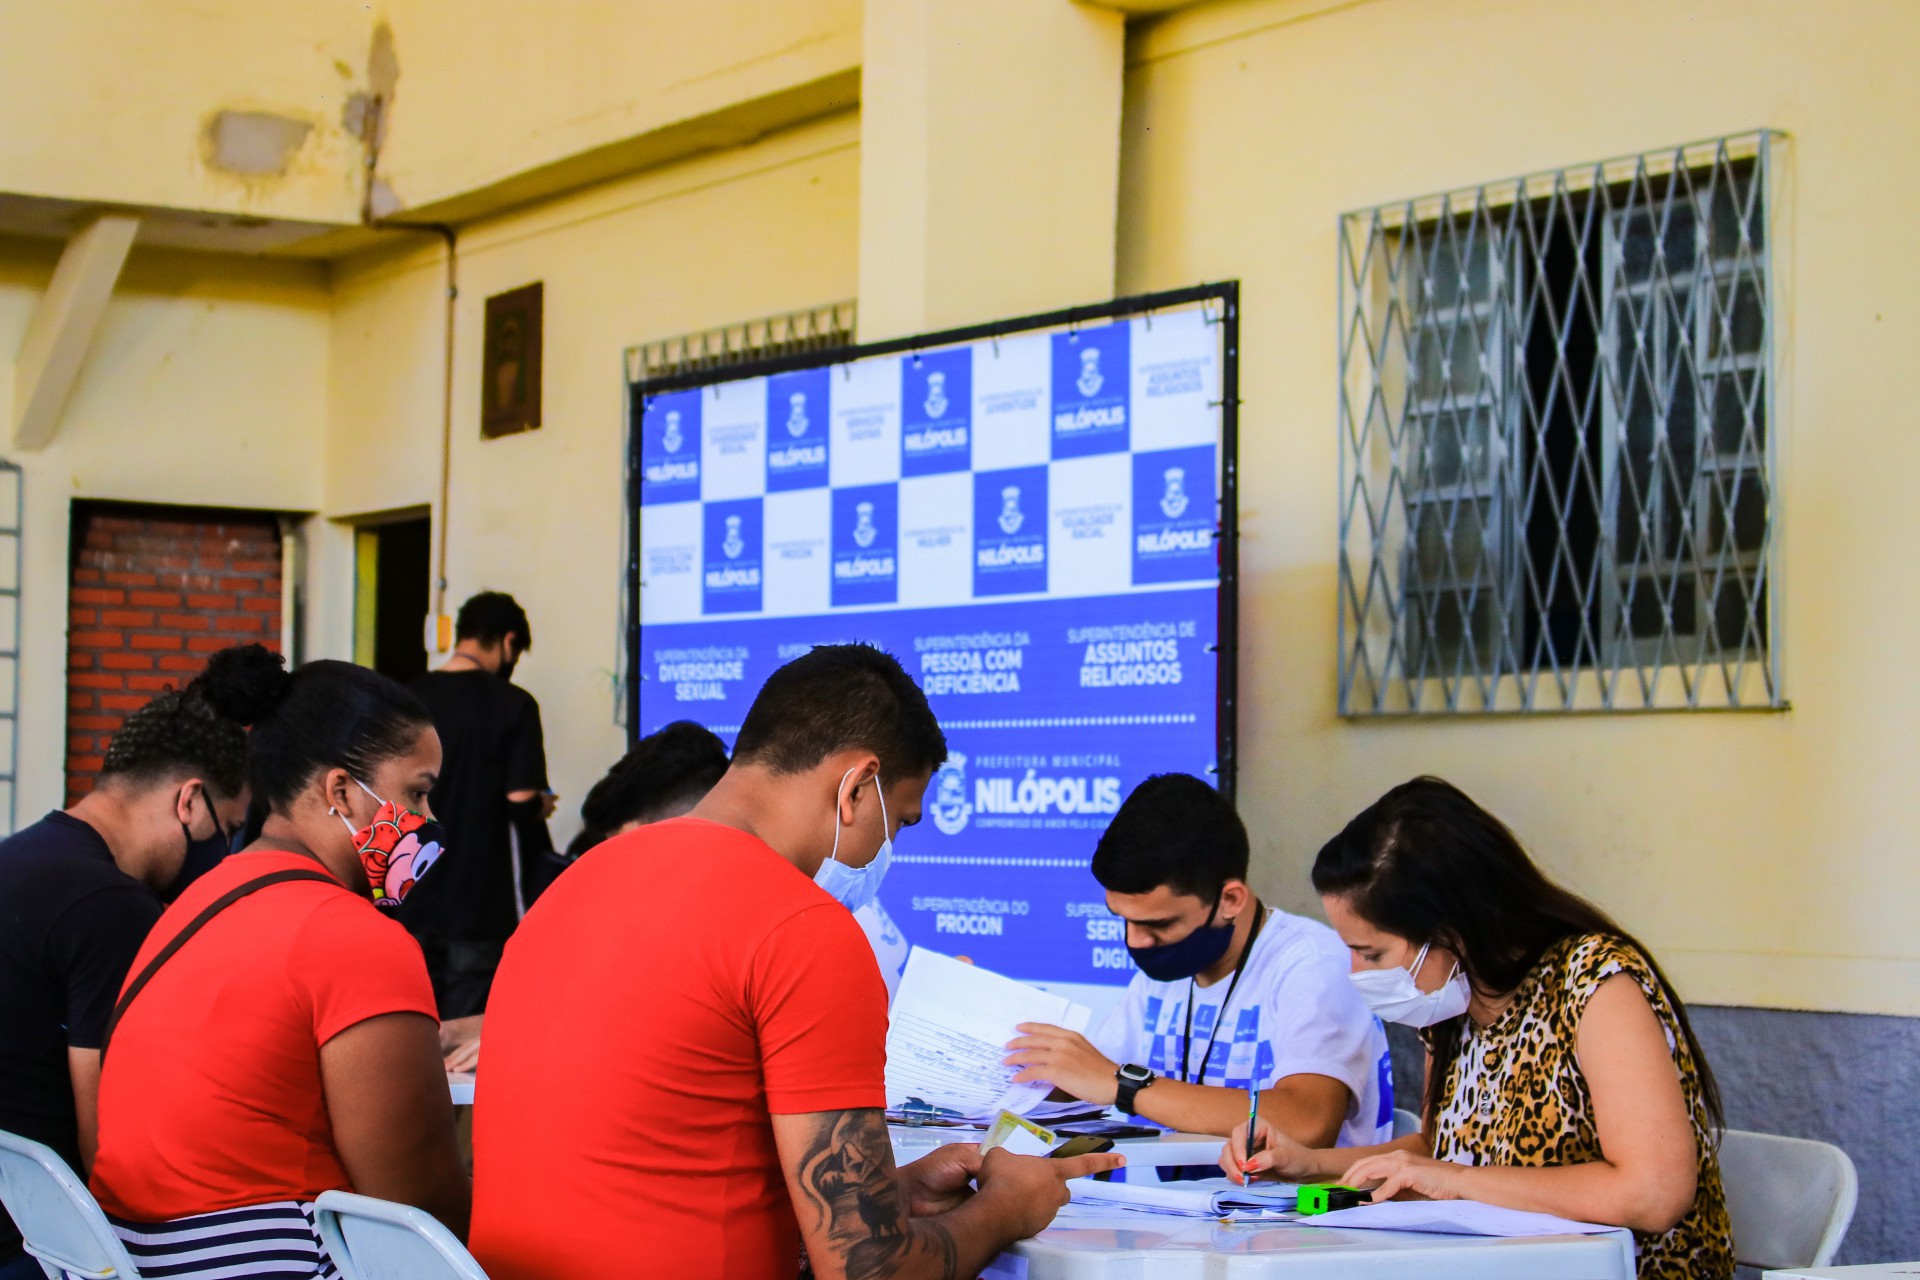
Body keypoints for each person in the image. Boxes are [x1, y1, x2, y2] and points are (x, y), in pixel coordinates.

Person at [470, 645, 1121, 1280]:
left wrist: (889, 1194)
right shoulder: (804, 930)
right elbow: (871, 1272)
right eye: (899, 822)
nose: (890, 850)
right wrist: (1008, 1207)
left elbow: (656, 1169)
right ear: (857, 787)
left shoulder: (576, 885)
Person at [1224, 777, 1734, 1280]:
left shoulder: (1596, 983)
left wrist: (1458, 1181)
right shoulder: (1452, 1003)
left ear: (1451, 931)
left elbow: (1651, 1195)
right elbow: (1438, 1152)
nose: (1356, 971)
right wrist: (1312, 1164)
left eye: (1371, 953)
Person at [89, 653, 470, 1279]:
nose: (428, 821)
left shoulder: (195, 905)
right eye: (417, 793)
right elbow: (420, 1208)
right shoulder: (356, 937)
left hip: (134, 1256)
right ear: (341, 791)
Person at [0, 653, 260, 1279]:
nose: (225, 851)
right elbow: (110, 1138)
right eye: (228, 828)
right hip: (42, 1245)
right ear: (189, 801)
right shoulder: (113, 907)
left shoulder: (22, 855)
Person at [1006, 773, 1392, 1145]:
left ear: (1230, 900)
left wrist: (1124, 1085)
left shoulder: (1314, 965)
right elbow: (1088, 1082)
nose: (1135, 940)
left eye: (1158, 924)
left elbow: (1306, 1121)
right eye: (1123, 919)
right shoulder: (1165, 973)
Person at [400, 590, 553, 1020]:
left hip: (409, 893)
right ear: (508, 641)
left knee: (416, 1021)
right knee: (466, 1037)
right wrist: (540, 805)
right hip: (481, 903)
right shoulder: (514, 704)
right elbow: (520, 801)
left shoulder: (406, 700)